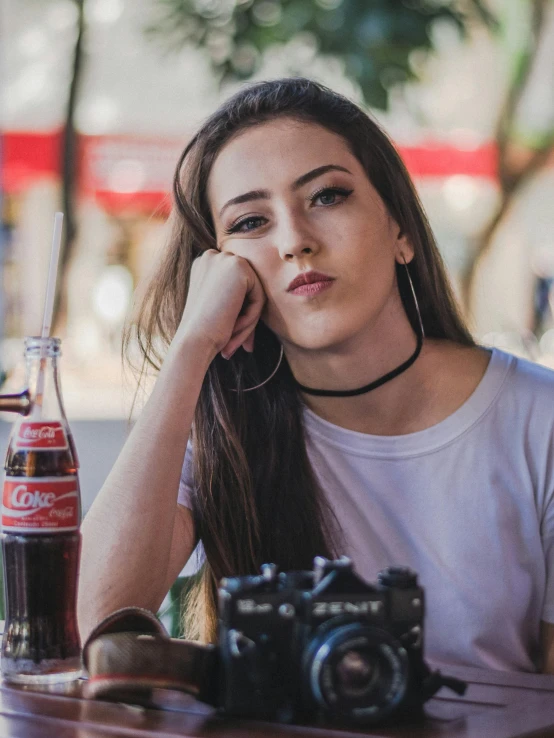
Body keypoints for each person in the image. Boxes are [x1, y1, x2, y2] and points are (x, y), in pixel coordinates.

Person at [78, 77, 554, 674]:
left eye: (327, 197)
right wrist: (190, 347)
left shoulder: (540, 422)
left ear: (400, 229)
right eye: (250, 222)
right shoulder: (222, 435)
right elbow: (98, 624)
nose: (295, 242)